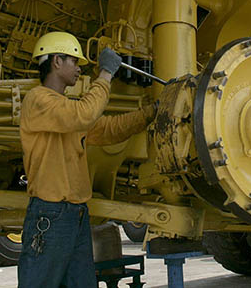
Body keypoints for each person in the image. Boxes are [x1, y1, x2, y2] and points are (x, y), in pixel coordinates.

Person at [17, 31, 156, 288]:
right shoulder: (38, 100)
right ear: (57, 61)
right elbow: (85, 114)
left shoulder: (64, 110)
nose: (79, 69)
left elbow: (108, 128)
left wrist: (150, 113)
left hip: (75, 214)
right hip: (51, 213)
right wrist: (105, 74)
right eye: (74, 62)